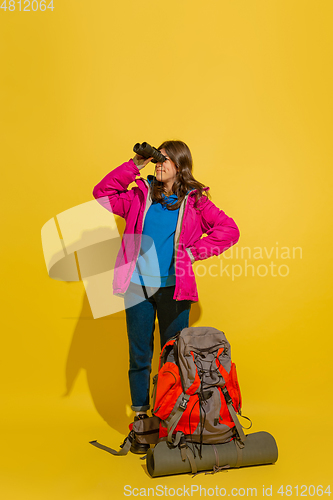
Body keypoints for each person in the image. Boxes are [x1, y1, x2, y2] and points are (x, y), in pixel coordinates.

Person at [92, 140, 240, 453]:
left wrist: (195, 251)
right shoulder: (138, 195)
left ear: (180, 165)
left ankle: (175, 422)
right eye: (158, 159)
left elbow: (229, 230)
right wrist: (135, 164)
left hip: (175, 288)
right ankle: (142, 425)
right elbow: (101, 193)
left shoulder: (196, 201)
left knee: (175, 358)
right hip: (137, 287)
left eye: (165, 159)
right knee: (140, 357)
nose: (159, 164)